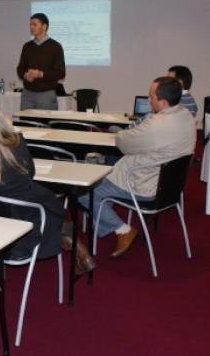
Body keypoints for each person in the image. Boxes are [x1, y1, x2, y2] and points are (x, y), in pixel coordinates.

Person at [0, 96, 95, 274]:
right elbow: (30, 172)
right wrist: (11, 129)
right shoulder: (14, 151)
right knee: (45, 207)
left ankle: (64, 235)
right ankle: (65, 234)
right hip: (24, 230)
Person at [79, 77, 196, 258]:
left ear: (163, 102)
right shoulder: (186, 115)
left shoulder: (157, 125)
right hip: (168, 186)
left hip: (142, 184)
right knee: (102, 175)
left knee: (83, 190)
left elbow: (124, 143)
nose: (148, 99)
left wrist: (121, 132)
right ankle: (102, 217)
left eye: (151, 97)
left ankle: (122, 229)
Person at [16, 13, 66, 110]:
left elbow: (61, 73)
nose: (31, 27)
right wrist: (25, 75)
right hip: (27, 94)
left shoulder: (55, 46)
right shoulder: (27, 46)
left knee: (44, 124)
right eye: (30, 24)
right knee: (25, 123)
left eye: (34, 24)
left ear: (44, 26)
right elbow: (20, 69)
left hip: (46, 94)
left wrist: (41, 74)